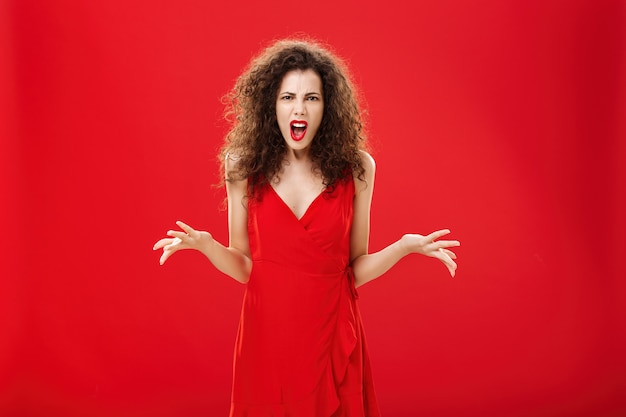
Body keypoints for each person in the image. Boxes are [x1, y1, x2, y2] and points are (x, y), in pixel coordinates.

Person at [153, 38, 460, 417]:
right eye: (288, 97)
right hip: (266, 341)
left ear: (327, 106)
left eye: (312, 98)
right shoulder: (241, 167)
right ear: (271, 105)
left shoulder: (358, 169)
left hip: (332, 337)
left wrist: (402, 247)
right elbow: (246, 266)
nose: (300, 108)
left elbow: (353, 270)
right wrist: (205, 244)